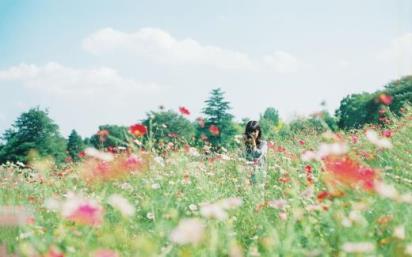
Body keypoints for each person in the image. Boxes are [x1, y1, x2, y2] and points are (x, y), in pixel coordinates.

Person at [243, 120, 268, 191]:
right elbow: (242, 158)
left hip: (259, 173)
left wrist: (253, 144)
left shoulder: (263, 144)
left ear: (259, 131)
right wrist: (243, 143)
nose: (252, 134)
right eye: (250, 132)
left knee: (258, 195)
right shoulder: (246, 145)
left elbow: (257, 156)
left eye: (254, 131)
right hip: (247, 174)